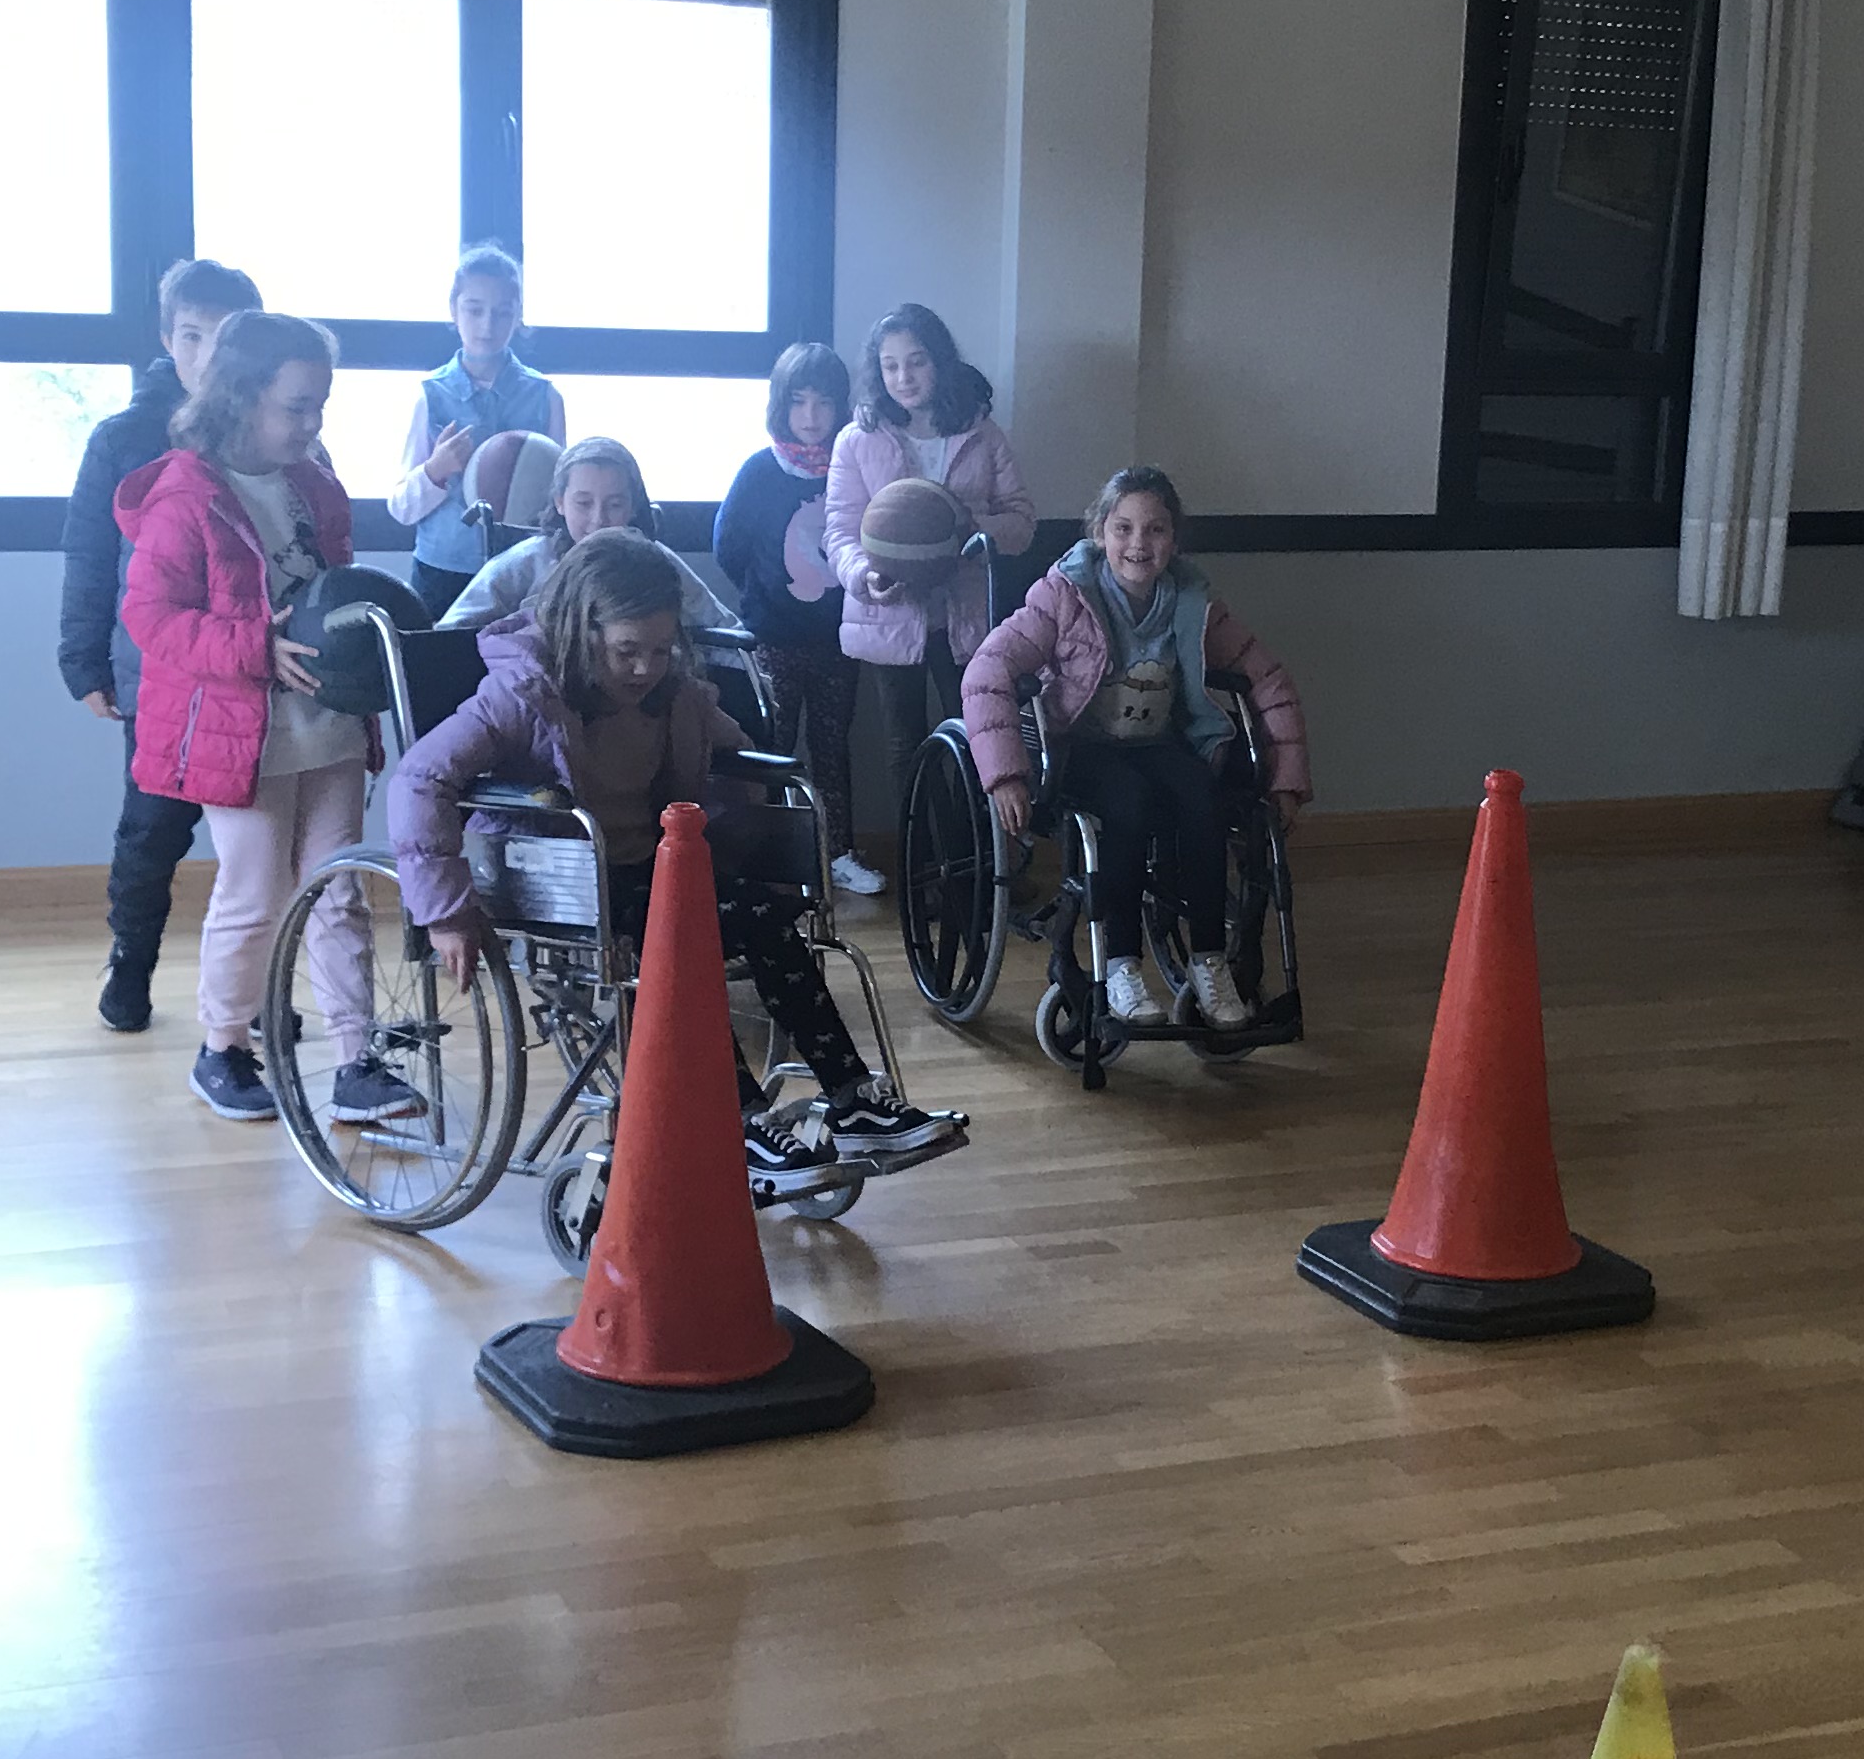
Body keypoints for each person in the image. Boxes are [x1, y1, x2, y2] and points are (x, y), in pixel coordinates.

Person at [390, 531, 958, 1175]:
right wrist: (445, 913)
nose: (645, 669)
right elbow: (421, 779)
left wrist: (750, 838)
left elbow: (738, 757)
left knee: (764, 917)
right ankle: (739, 1121)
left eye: (661, 651)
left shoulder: (677, 699)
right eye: (627, 651)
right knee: (680, 936)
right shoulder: (522, 695)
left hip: (652, 869)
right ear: (580, 634)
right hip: (561, 880)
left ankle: (855, 1102)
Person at [115, 310, 402, 1131]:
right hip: (241, 735)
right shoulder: (184, 495)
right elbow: (152, 618)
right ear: (241, 398)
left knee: (339, 890)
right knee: (254, 892)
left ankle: (356, 1060)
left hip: (329, 723)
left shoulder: (315, 484)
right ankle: (224, 1048)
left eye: (321, 406)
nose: (312, 423)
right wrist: (253, 649)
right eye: (296, 406)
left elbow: (332, 591)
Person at [966, 466, 1308, 1033]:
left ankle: (1209, 960)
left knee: (1203, 797)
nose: (1138, 543)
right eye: (1123, 528)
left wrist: (1287, 780)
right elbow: (988, 670)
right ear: (1099, 532)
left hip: (1156, 743)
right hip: (1079, 748)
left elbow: (1268, 678)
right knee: (1128, 802)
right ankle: (1121, 964)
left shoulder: (1193, 601)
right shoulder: (1064, 594)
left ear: (1174, 540)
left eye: (1155, 530)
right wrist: (1005, 775)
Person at [58, 254, 259, 1035]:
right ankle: (130, 966)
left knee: (258, 846)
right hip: (159, 674)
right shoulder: (123, 438)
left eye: (225, 336)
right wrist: (84, 661)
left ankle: (253, 993)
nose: (206, 354)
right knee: (152, 830)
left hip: (250, 670)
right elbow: (89, 558)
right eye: (191, 335)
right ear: (168, 338)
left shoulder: (270, 433)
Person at [826, 304, 1032, 876]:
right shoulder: (857, 439)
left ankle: (979, 871)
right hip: (889, 618)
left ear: (939, 362)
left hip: (966, 619)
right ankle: (925, 873)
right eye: (890, 366)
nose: (904, 377)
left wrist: (969, 529)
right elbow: (839, 530)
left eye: (916, 362)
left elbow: (1021, 521)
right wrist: (865, 576)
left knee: (977, 739)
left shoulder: (982, 433)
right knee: (905, 746)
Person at [713, 343, 876, 898]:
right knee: (771, 747)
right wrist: (766, 595)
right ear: (780, 406)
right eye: (798, 402)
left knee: (833, 747)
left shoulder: (852, 467)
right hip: (771, 639)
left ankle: (838, 852)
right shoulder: (759, 471)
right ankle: (769, 856)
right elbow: (728, 547)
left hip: (838, 640)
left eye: (823, 403)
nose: (810, 416)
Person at [393, 242, 563, 617]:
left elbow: (560, 501)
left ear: (518, 316)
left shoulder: (545, 397)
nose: (487, 325)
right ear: (453, 310)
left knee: (517, 656)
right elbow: (401, 507)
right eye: (474, 309)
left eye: (503, 312)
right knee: (438, 655)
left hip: (522, 572)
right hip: (441, 571)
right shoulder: (430, 395)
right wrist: (435, 470)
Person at [434, 437, 730, 635]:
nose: (598, 519)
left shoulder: (660, 565)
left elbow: (727, 632)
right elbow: (449, 635)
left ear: (633, 507)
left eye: (615, 504)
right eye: (584, 503)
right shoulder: (527, 563)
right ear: (560, 502)